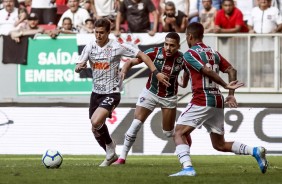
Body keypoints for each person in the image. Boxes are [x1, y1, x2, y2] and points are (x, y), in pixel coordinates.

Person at [169, 22, 268, 176]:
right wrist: (230, 94)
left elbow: (206, 70)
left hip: (202, 99)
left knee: (178, 132)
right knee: (219, 144)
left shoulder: (190, 54)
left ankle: (187, 168)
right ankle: (255, 151)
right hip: (217, 101)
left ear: (189, 36)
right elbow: (231, 70)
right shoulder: (213, 53)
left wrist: (224, 84)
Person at [75, 18, 170, 167]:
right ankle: (110, 153)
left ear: (108, 33)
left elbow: (143, 55)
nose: (98, 35)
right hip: (96, 93)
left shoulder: (117, 46)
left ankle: (111, 147)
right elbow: (79, 64)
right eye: (96, 32)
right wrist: (79, 66)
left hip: (112, 92)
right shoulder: (90, 47)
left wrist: (155, 71)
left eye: (101, 33)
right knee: (95, 128)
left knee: (96, 121)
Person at [113, 32, 192, 165]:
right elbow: (131, 62)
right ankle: (122, 158)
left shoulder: (182, 59)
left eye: (172, 45)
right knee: (136, 124)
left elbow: (188, 72)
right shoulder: (155, 52)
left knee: (167, 133)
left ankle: (184, 135)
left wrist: (183, 83)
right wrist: (124, 71)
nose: (168, 48)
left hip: (169, 97)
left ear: (178, 46)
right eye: (166, 44)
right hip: (150, 92)